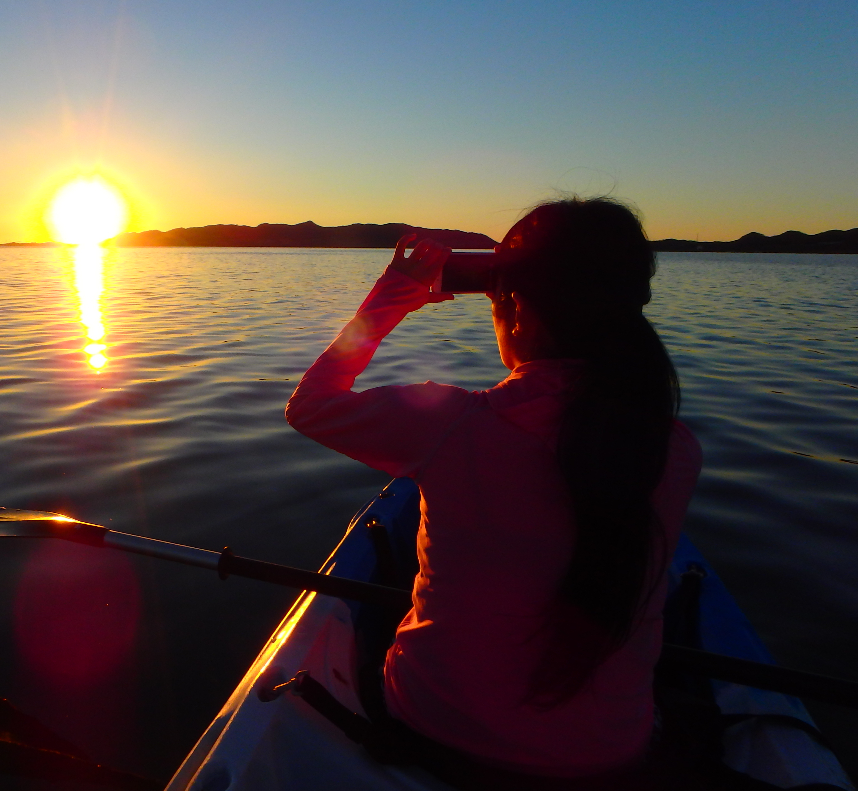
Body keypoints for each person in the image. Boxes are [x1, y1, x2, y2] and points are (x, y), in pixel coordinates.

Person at [286, 197, 702, 781]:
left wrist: (392, 297)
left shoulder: (452, 425)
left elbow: (311, 407)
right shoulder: (675, 447)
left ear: (518, 309)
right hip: (611, 753)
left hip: (438, 729)